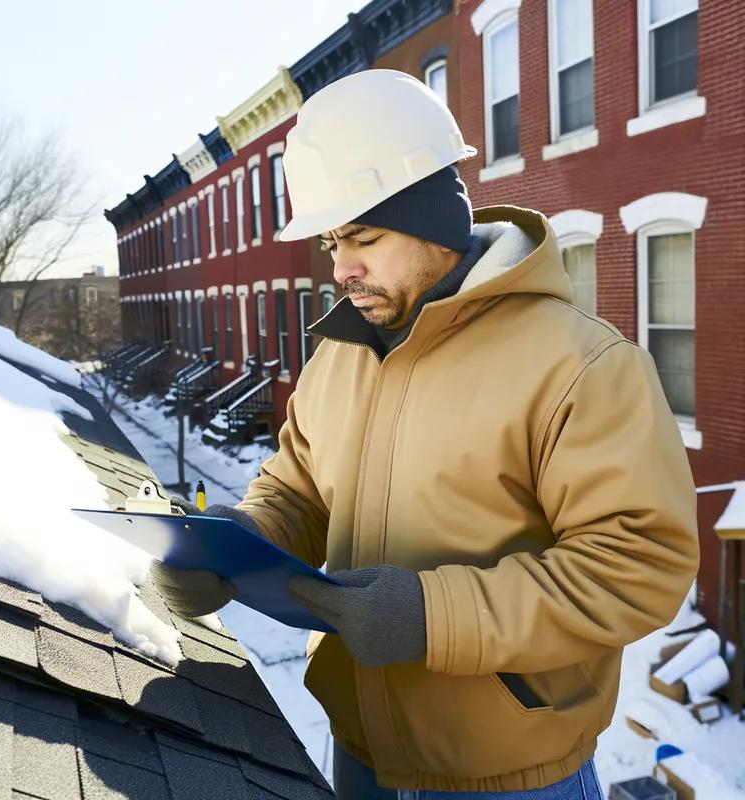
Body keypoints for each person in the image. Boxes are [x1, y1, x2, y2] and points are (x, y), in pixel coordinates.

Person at [151, 69, 699, 799]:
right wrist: (234, 543)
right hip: (360, 755)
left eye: (364, 237)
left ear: (434, 216)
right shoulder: (340, 356)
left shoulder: (582, 365)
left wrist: (432, 616)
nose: (342, 268)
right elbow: (300, 492)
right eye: (332, 242)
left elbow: (638, 565)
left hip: (508, 777)